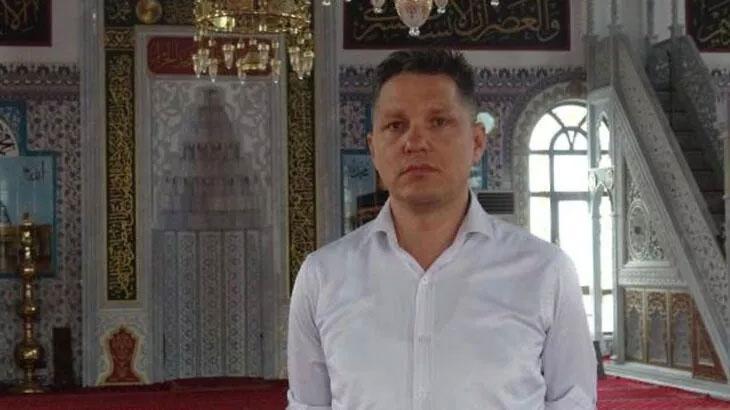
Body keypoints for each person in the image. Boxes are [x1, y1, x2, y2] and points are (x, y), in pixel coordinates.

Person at [287, 49, 597, 409]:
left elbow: (573, 402)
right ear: (373, 149)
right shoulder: (322, 277)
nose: (415, 142)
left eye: (438, 122)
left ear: (477, 142)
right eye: (395, 125)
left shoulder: (546, 272)